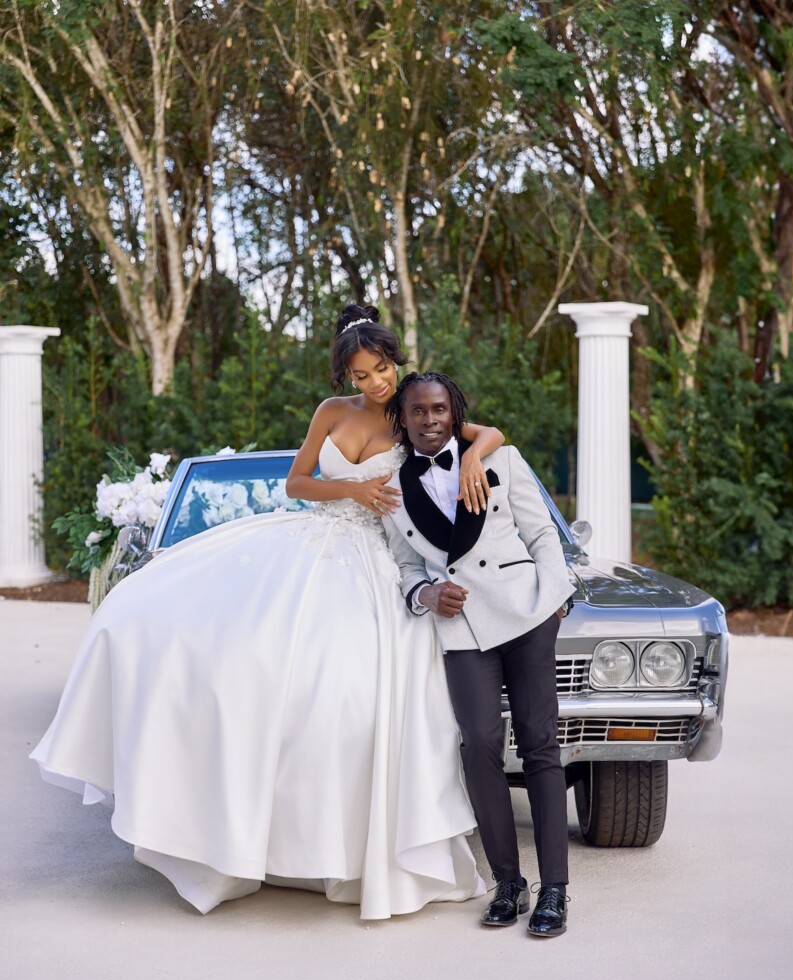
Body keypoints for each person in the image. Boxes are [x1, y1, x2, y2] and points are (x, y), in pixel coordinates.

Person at [30, 305, 504, 920]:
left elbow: (490, 435)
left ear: (396, 362)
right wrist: (353, 488)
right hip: (312, 542)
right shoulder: (330, 413)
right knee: (220, 644)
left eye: (381, 369)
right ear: (346, 378)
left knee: (350, 691)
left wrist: (471, 457)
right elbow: (296, 482)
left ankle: (350, 849)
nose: (374, 383)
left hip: (380, 559)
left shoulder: (414, 410)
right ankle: (245, 835)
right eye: (360, 375)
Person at [381, 371, 577, 938]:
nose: (430, 419)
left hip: (525, 614)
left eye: (439, 408)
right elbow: (407, 567)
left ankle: (555, 890)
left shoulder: (501, 460)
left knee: (541, 745)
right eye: (417, 411)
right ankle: (509, 882)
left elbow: (543, 536)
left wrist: (554, 596)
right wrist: (426, 595)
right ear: (404, 419)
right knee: (480, 746)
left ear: (454, 409)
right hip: (462, 629)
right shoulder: (394, 490)